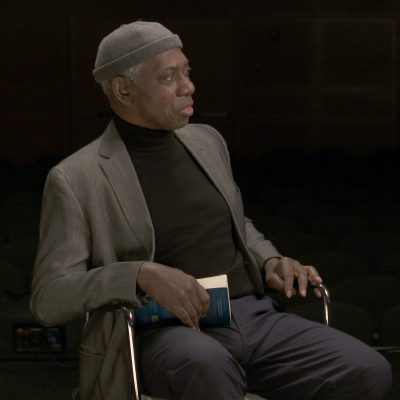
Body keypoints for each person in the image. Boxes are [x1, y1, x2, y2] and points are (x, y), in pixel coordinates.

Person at [30, 21, 392, 400]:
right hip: (163, 332)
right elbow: (49, 296)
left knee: (368, 370)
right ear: (124, 90)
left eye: (186, 72)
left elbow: (237, 224)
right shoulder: (75, 177)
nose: (188, 86)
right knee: (205, 365)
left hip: (252, 318)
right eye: (169, 77)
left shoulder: (207, 141)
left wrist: (271, 261)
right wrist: (139, 274)